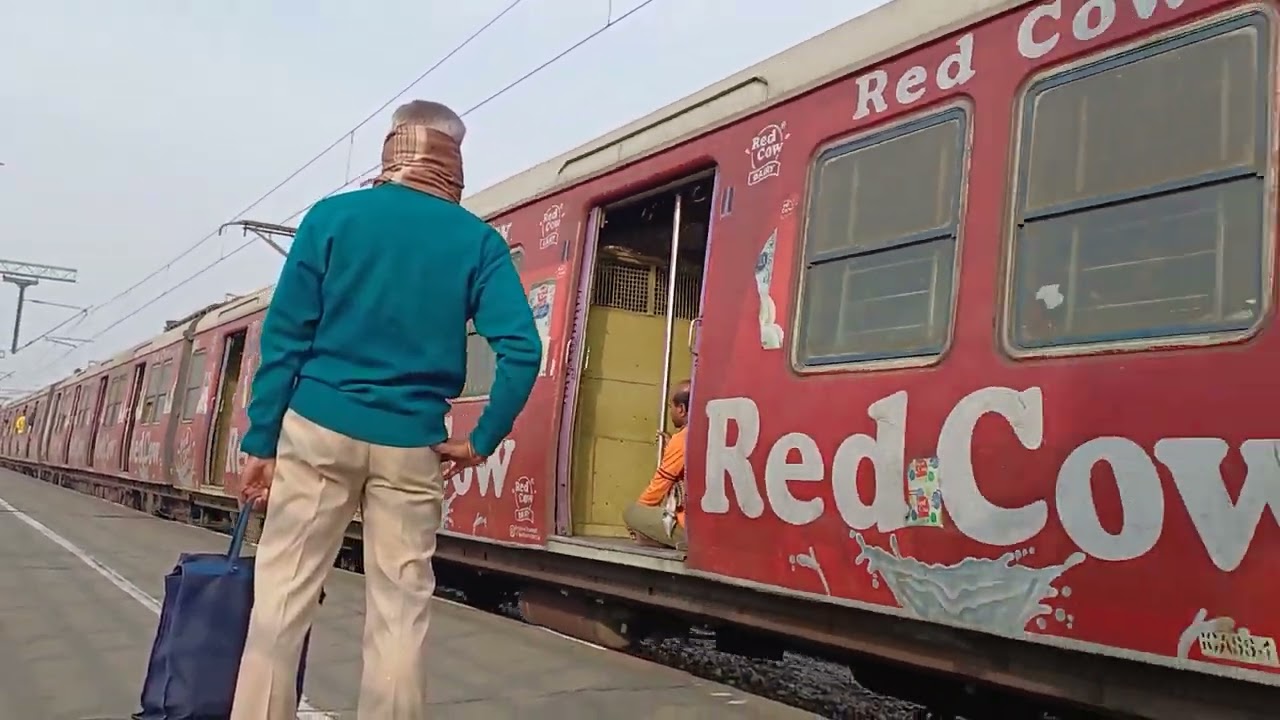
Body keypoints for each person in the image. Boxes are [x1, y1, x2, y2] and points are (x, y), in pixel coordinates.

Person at [229, 100, 542, 720]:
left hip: (316, 431)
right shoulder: (477, 242)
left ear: (390, 150)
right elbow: (522, 350)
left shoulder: (333, 218)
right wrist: (482, 439)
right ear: (455, 162)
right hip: (411, 444)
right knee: (400, 612)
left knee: (281, 602)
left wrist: (261, 441)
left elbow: (284, 338)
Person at [623, 380, 691, 551]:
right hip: (709, 525)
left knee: (631, 512)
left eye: (671, 406)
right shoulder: (709, 431)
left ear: (681, 409)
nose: (670, 411)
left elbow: (657, 489)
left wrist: (636, 524)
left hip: (690, 528)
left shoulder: (683, 439)